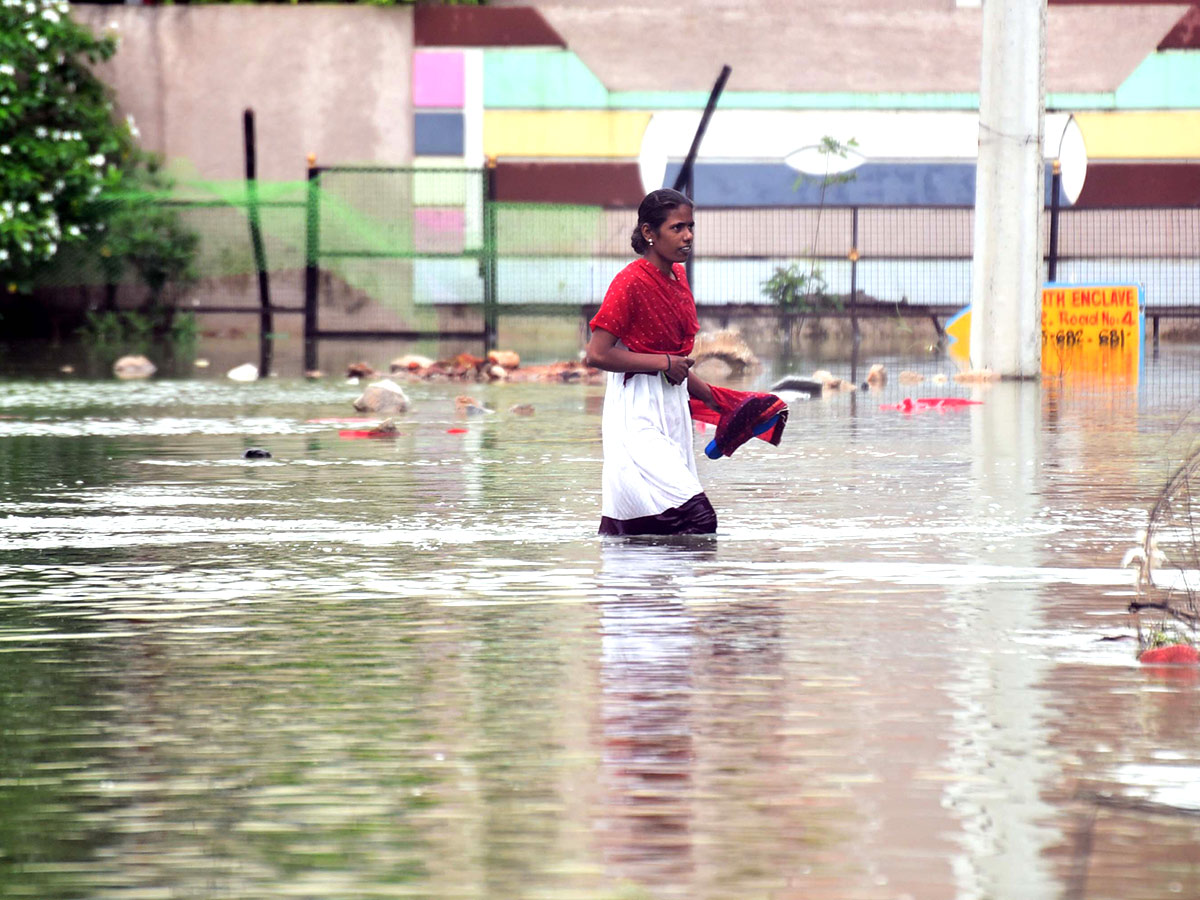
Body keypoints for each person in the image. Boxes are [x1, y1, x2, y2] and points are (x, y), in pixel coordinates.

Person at [584, 188, 720, 536]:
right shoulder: (629, 282)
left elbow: (674, 360)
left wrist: (710, 396)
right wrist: (663, 364)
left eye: (691, 227)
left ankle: (650, 589)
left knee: (664, 521)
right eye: (677, 228)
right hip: (637, 410)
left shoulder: (678, 277)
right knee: (697, 518)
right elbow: (597, 353)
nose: (688, 236)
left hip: (672, 407)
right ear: (649, 232)